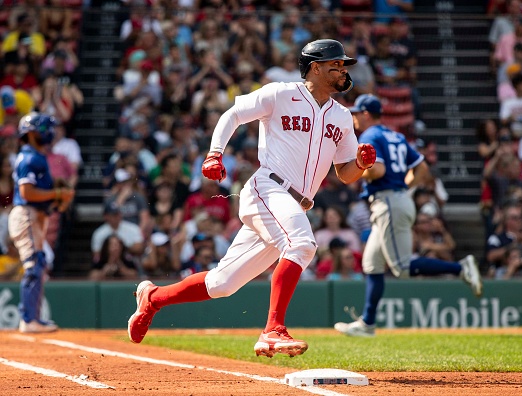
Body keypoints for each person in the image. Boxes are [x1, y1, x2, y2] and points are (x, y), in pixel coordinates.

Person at [127, 39, 376, 357]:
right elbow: (233, 114)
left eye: (343, 65)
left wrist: (361, 165)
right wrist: (215, 152)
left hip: (293, 206)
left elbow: (345, 172)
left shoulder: (342, 116)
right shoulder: (281, 93)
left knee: (222, 284)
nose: (343, 69)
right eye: (336, 64)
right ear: (315, 67)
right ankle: (273, 330)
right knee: (301, 243)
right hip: (268, 188)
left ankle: (153, 298)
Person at [333, 94, 482, 337]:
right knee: (372, 264)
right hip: (396, 199)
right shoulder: (396, 135)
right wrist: (405, 187)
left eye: (357, 113)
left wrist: (357, 170)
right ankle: (367, 323)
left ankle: (460, 268)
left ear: (367, 114)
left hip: (388, 201)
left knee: (401, 267)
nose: (354, 117)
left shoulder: (370, 135)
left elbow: (378, 170)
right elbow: (422, 168)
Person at [8, 112, 74, 333]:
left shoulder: (36, 156)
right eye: (45, 128)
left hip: (34, 215)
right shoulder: (29, 157)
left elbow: (42, 198)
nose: (50, 132)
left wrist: (58, 200)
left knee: (40, 262)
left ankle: (32, 317)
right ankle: (28, 319)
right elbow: (27, 192)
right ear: (33, 132)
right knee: (34, 264)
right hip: (26, 214)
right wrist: (56, 192)